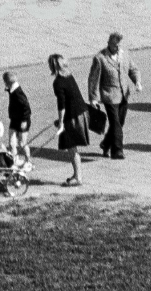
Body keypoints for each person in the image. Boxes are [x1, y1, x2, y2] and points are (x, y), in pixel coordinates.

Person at [86, 33, 140, 160]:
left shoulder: (124, 54)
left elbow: (133, 69)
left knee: (120, 122)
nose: (118, 48)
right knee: (115, 124)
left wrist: (137, 81)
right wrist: (93, 98)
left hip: (124, 95)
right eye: (115, 46)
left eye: (119, 46)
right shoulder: (100, 58)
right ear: (109, 43)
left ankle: (106, 143)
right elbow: (93, 79)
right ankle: (117, 151)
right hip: (109, 96)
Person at [47, 53, 89, 187]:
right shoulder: (69, 76)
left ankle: (78, 177)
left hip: (73, 118)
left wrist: (60, 122)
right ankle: (77, 175)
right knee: (72, 147)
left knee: (71, 147)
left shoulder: (58, 82)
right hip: (80, 113)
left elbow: (62, 104)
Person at [3, 72, 33, 157]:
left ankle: (28, 161)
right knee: (12, 143)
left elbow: (26, 107)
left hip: (23, 120)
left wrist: (24, 121)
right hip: (14, 119)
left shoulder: (18, 93)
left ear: (7, 82)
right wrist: (8, 89)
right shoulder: (12, 89)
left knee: (22, 143)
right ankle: (14, 160)